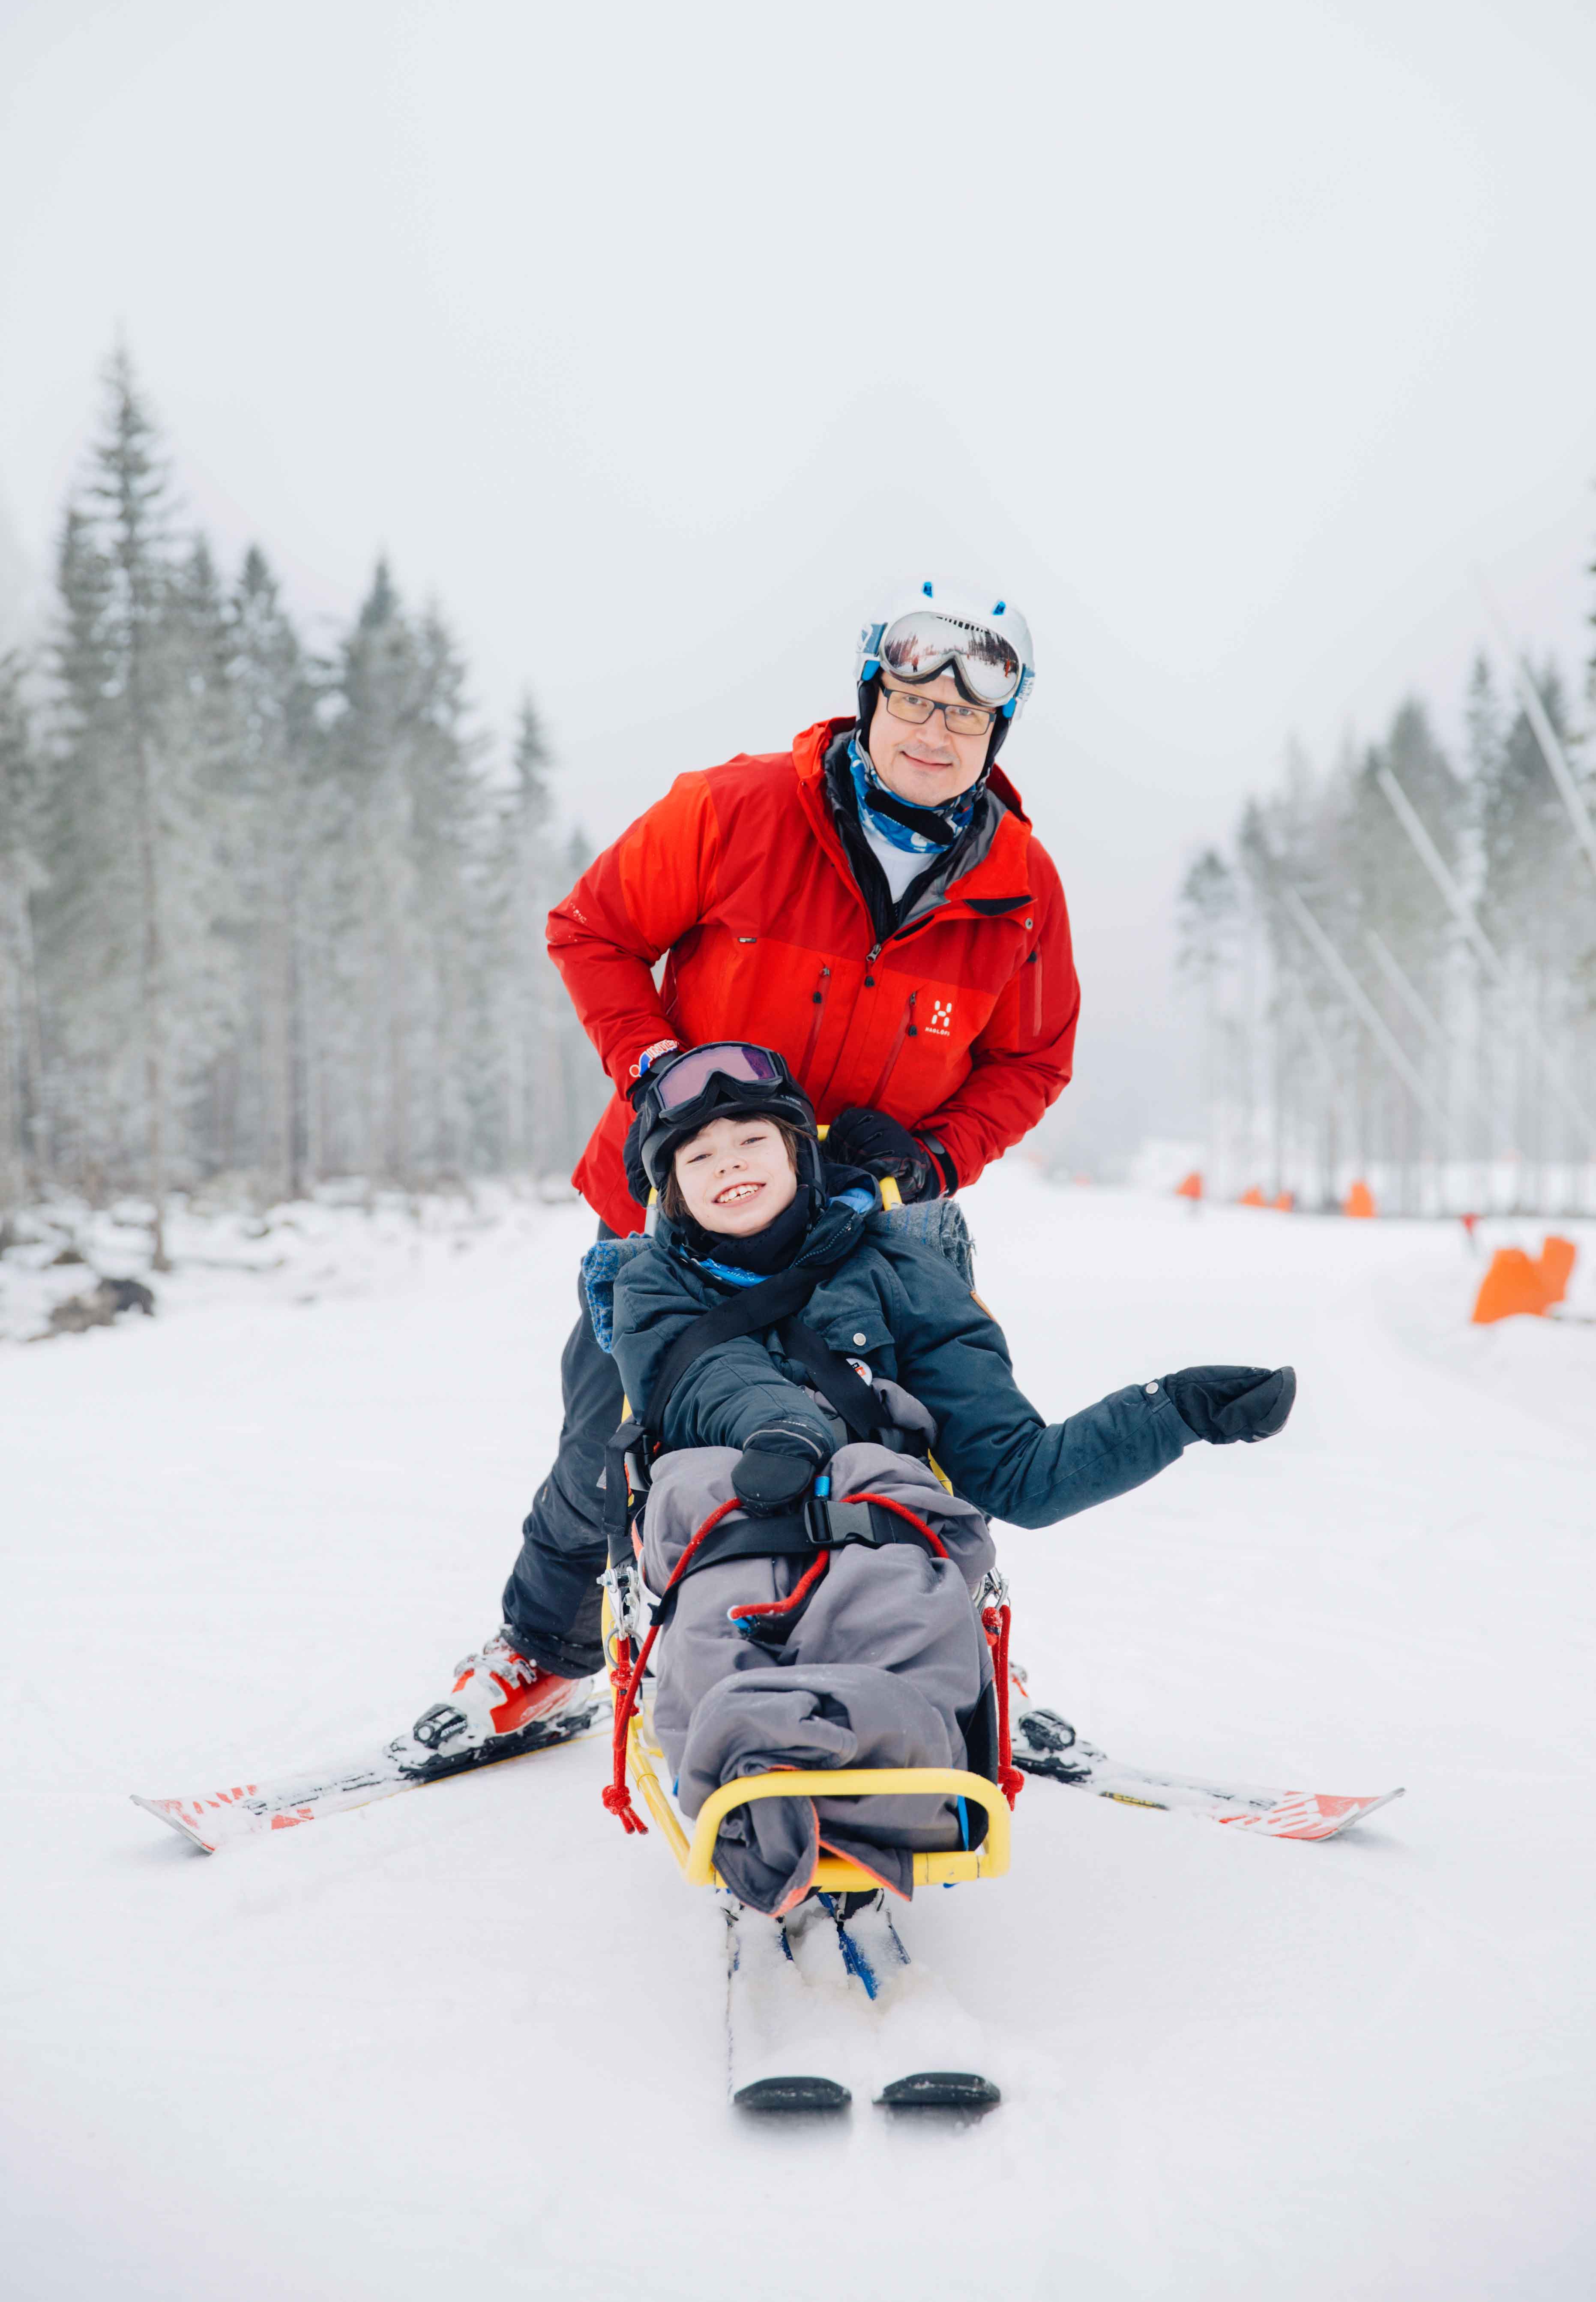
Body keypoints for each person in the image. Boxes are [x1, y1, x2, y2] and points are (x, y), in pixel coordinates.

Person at [413, 584, 1085, 1757]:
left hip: (880, 1225)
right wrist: (663, 1078)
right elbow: (592, 929)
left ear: (995, 736)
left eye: (964, 720)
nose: (933, 734)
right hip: (672, 1220)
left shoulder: (1018, 887)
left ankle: (956, 1642)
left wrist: (931, 1160)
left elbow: (1032, 1060)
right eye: (914, 702)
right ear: (871, 697)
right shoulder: (736, 809)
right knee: (609, 1442)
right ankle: (543, 1651)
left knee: (923, 1436)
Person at [592, 1047, 1294, 1908]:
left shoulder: (898, 1270)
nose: (729, 1163)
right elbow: (704, 1378)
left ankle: (882, 1763)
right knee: (726, 1577)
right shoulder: (649, 1282)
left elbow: (1017, 1472)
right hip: (724, 1509)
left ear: (799, 1155)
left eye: (752, 1141)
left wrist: (1173, 1412)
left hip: (880, 1512)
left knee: (895, 1580)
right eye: (698, 1155)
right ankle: (757, 1765)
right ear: (671, 1190)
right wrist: (786, 1430)